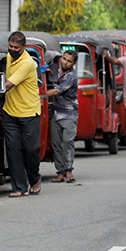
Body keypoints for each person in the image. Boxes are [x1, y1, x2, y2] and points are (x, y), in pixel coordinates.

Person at [0, 31, 41, 197]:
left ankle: (35, 179)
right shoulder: (9, 57)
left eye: (16, 47)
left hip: (29, 112)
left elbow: (7, 85)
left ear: (24, 47)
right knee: (13, 149)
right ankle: (19, 187)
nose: (12, 49)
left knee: (30, 149)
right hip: (10, 112)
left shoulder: (27, 63)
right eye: (10, 46)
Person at [46, 50, 79, 183]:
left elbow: (56, 91)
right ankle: (60, 172)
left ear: (74, 63)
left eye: (69, 61)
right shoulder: (56, 71)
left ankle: (69, 170)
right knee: (56, 144)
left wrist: (35, 95)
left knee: (68, 143)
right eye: (64, 59)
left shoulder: (71, 76)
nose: (65, 62)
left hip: (69, 115)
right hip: (55, 113)